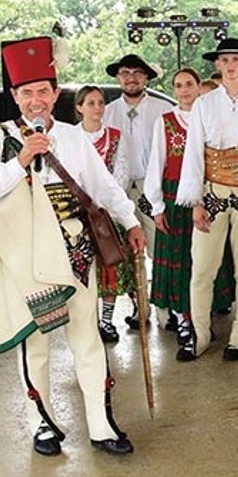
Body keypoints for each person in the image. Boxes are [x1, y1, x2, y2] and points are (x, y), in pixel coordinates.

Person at [0, 36, 146, 458]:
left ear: (56, 94)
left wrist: (130, 220)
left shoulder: (75, 138)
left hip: (75, 250)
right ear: (16, 97)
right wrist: (21, 159)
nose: (36, 100)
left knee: (86, 335)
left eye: (43, 91)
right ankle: (41, 421)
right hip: (23, 254)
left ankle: (100, 422)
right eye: (26, 93)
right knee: (35, 340)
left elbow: (103, 187)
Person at [177, 38, 238, 361]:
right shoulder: (204, 105)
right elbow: (193, 152)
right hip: (213, 193)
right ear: (217, 65)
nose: (231, 65)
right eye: (225, 60)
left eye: (237, 59)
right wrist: (196, 201)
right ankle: (200, 333)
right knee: (202, 268)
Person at [145, 69, 234, 355]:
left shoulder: (210, 117)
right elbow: (156, 163)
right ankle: (184, 320)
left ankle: (203, 317)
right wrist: (157, 205)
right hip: (175, 197)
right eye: (178, 85)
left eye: (189, 85)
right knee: (180, 260)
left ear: (199, 87)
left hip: (208, 195)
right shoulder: (165, 121)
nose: (184, 90)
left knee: (206, 261)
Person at [104, 53, 171, 304]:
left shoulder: (163, 109)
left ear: (146, 78)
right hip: (119, 189)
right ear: (118, 77)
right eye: (125, 73)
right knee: (131, 249)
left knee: (158, 246)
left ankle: (166, 307)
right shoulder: (108, 112)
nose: (131, 79)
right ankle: (140, 307)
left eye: (137, 73)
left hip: (151, 187)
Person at [76, 85, 135, 343]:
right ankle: (86, 321)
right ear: (79, 108)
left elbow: (121, 175)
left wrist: (105, 206)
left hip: (108, 213)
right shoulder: (71, 137)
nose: (97, 108)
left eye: (100, 102)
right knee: (85, 271)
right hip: (78, 214)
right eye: (91, 103)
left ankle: (106, 321)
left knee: (110, 267)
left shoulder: (115, 137)